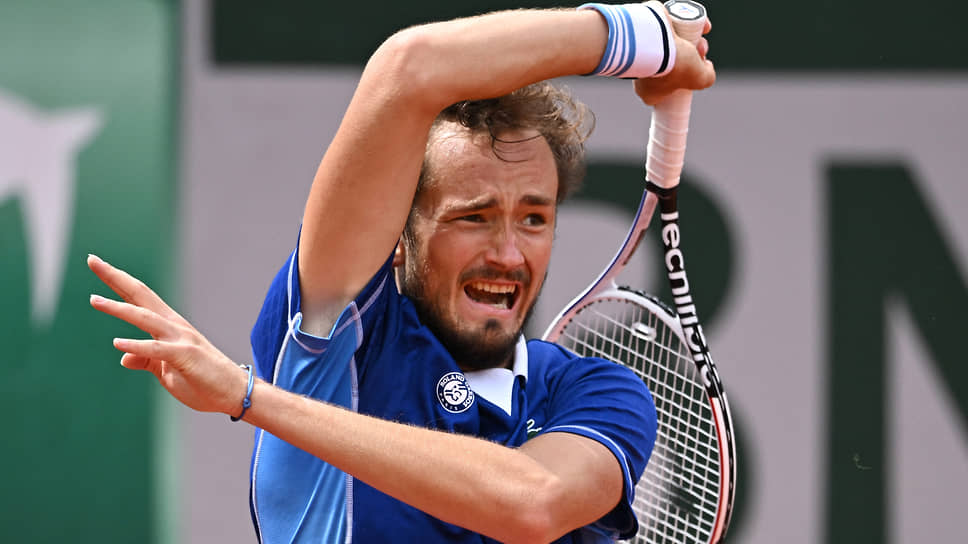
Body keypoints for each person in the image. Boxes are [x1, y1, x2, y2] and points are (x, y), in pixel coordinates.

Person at [89, 2, 715, 542]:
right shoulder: (335, 343)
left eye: (533, 218)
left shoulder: (597, 393)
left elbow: (534, 503)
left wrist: (251, 398)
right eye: (473, 217)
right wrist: (642, 36)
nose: (507, 252)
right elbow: (409, 68)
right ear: (399, 239)